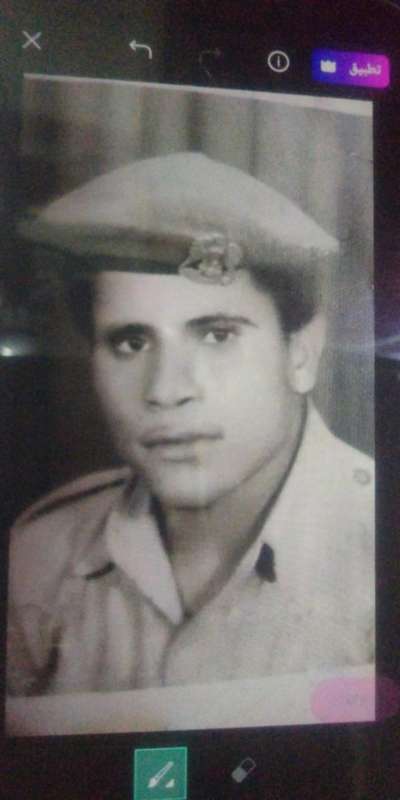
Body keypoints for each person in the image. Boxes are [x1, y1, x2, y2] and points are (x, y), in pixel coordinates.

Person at [6, 152, 374, 697]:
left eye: (217, 335)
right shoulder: (43, 553)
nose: (165, 389)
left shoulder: (376, 544)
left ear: (301, 352)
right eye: (131, 342)